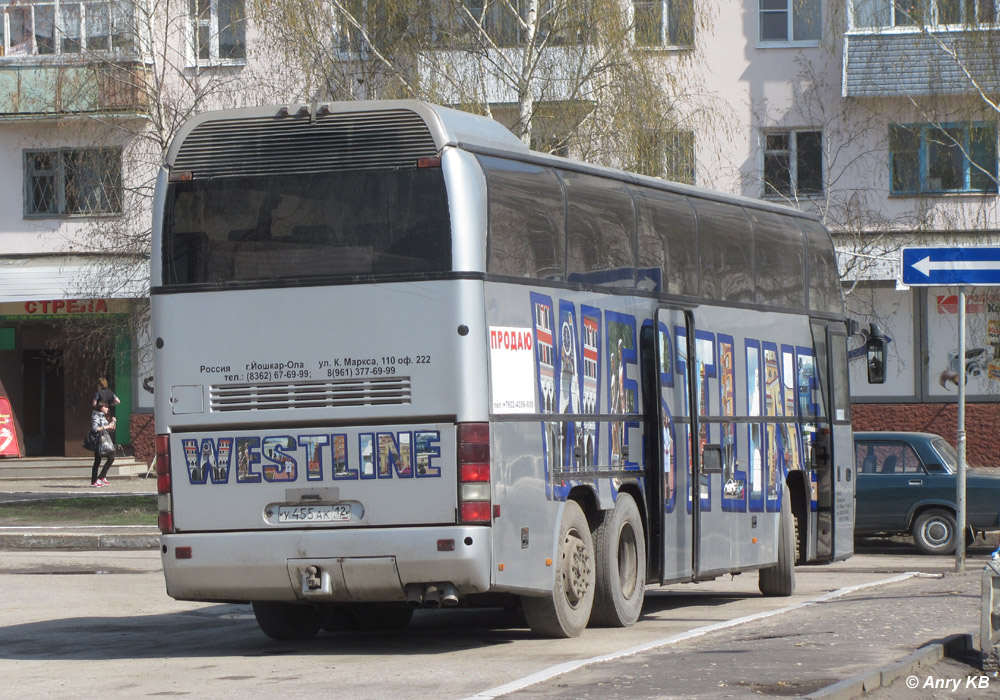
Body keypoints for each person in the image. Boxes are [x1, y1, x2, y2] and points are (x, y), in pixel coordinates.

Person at [90, 400, 116, 487]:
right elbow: (95, 428)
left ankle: (102, 476)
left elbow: (109, 428)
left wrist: (113, 423)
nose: (107, 408)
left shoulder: (104, 416)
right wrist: (107, 426)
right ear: (101, 408)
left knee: (111, 458)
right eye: (105, 407)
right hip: (98, 441)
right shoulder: (96, 416)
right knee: (97, 461)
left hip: (104, 440)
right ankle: (94, 481)